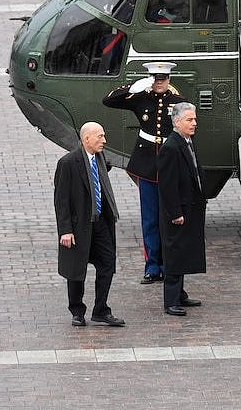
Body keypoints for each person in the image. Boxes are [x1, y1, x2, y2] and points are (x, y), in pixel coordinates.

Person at [103, 61, 185, 284]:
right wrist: (132, 88)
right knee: (149, 219)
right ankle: (152, 266)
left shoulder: (177, 102)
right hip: (147, 165)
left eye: (163, 79)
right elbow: (108, 100)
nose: (159, 83)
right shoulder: (141, 98)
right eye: (156, 79)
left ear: (169, 80)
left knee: (168, 218)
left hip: (169, 166)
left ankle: (169, 265)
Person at [54, 122, 125, 327]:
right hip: (79, 226)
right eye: (100, 136)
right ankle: (77, 310)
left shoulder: (101, 158)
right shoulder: (68, 162)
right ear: (86, 139)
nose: (104, 140)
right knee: (76, 271)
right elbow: (61, 200)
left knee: (107, 264)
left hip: (101, 222)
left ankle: (101, 310)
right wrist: (65, 230)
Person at [157, 102, 207, 316]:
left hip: (191, 207)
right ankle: (171, 300)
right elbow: (167, 185)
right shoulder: (171, 147)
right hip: (177, 212)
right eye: (189, 120)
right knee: (175, 252)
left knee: (185, 251)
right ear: (177, 122)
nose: (194, 123)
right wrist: (175, 212)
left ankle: (180, 294)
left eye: (194, 119)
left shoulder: (187, 141)